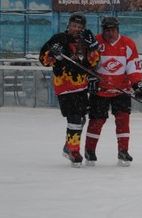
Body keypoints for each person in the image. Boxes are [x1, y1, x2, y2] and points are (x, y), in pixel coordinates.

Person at [83, 16, 142, 167]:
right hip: (100, 91)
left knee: (123, 119)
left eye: (112, 30)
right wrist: (90, 78)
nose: (109, 33)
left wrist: (138, 85)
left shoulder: (128, 44)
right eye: (106, 30)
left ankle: (123, 150)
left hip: (121, 90)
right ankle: (90, 150)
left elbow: (133, 67)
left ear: (118, 29)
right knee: (96, 121)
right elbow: (87, 63)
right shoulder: (96, 42)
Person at [39, 13, 100, 167]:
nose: (76, 29)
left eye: (79, 27)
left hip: (81, 86)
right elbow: (44, 60)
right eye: (74, 25)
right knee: (74, 118)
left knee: (81, 119)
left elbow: (94, 61)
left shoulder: (85, 40)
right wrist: (53, 55)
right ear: (69, 25)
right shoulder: (59, 38)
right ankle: (73, 150)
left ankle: (68, 146)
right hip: (64, 86)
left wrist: (93, 47)